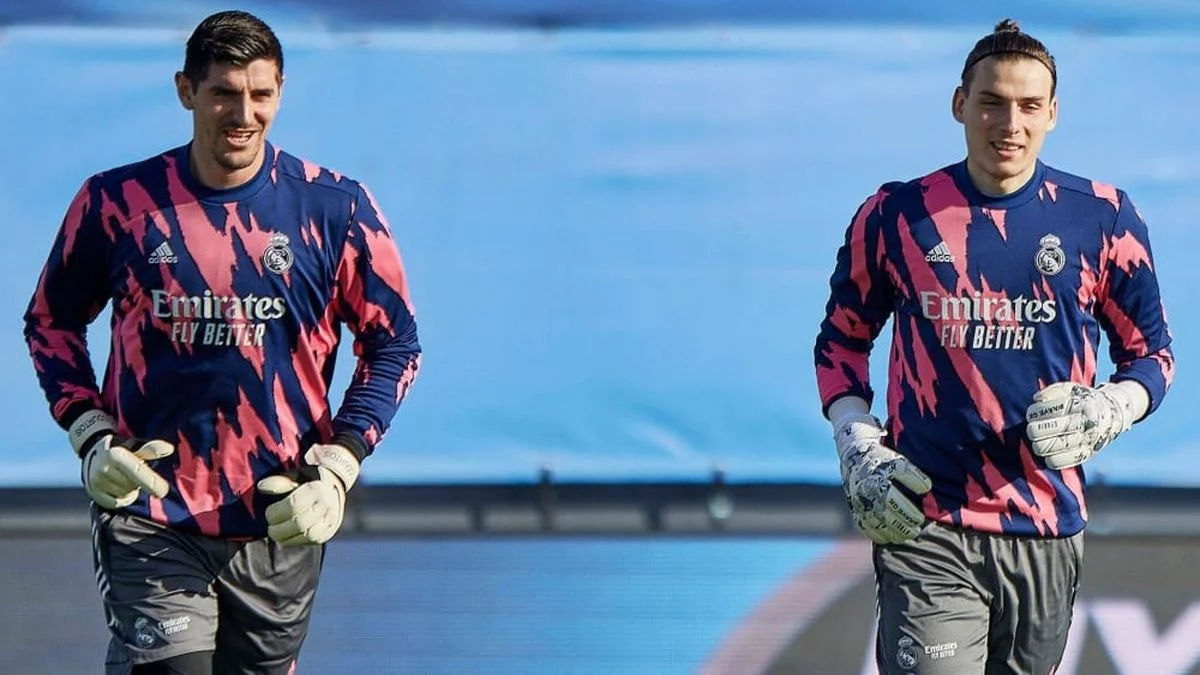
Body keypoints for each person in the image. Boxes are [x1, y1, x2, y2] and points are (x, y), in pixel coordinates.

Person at [22, 10, 421, 674]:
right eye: (223, 93)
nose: (243, 114)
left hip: (281, 516)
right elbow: (51, 321)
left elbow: (395, 345)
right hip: (150, 512)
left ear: (281, 92)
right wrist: (91, 435)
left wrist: (340, 467)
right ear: (186, 91)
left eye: (260, 94)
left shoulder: (336, 208)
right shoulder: (115, 202)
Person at [813, 18, 1174, 675]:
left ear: (1053, 113)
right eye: (992, 102)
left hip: (1046, 524)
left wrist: (1113, 408)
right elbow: (841, 341)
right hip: (927, 522)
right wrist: (856, 440)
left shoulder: (1103, 217)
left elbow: (1153, 356)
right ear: (960, 104)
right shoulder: (897, 215)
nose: (1011, 124)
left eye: (1030, 106)